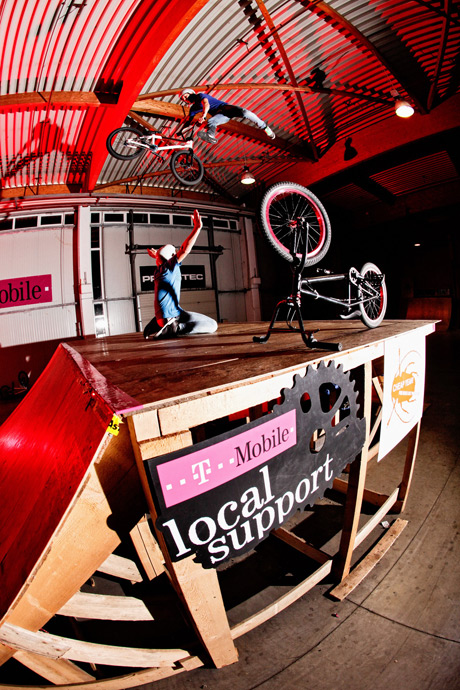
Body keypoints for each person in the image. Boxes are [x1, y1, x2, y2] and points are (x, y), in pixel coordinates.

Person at [143, 209, 218, 339]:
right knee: (212, 325)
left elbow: (161, 257)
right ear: (171, 256)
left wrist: (157, 255)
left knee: (200, 319)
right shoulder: (169, 267)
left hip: (173, 313)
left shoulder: (159, 271)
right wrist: (197, 228)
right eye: (174, 254)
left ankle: (160, 324)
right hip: (170, 316)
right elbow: (185, 249)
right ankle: (174, 328)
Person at [178, 88, 275, 144]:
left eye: (185, 96)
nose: (186, 99)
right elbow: (188, 121)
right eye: (184, 99)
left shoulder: (200, 96)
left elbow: (206, 103)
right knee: (211, 121)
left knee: (246, 113)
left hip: (226, 108)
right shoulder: (193, 109)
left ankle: (265, 127)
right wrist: (181, 131)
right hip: (221, 115)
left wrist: (203, 115)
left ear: (191, 93)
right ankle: (211, 136)